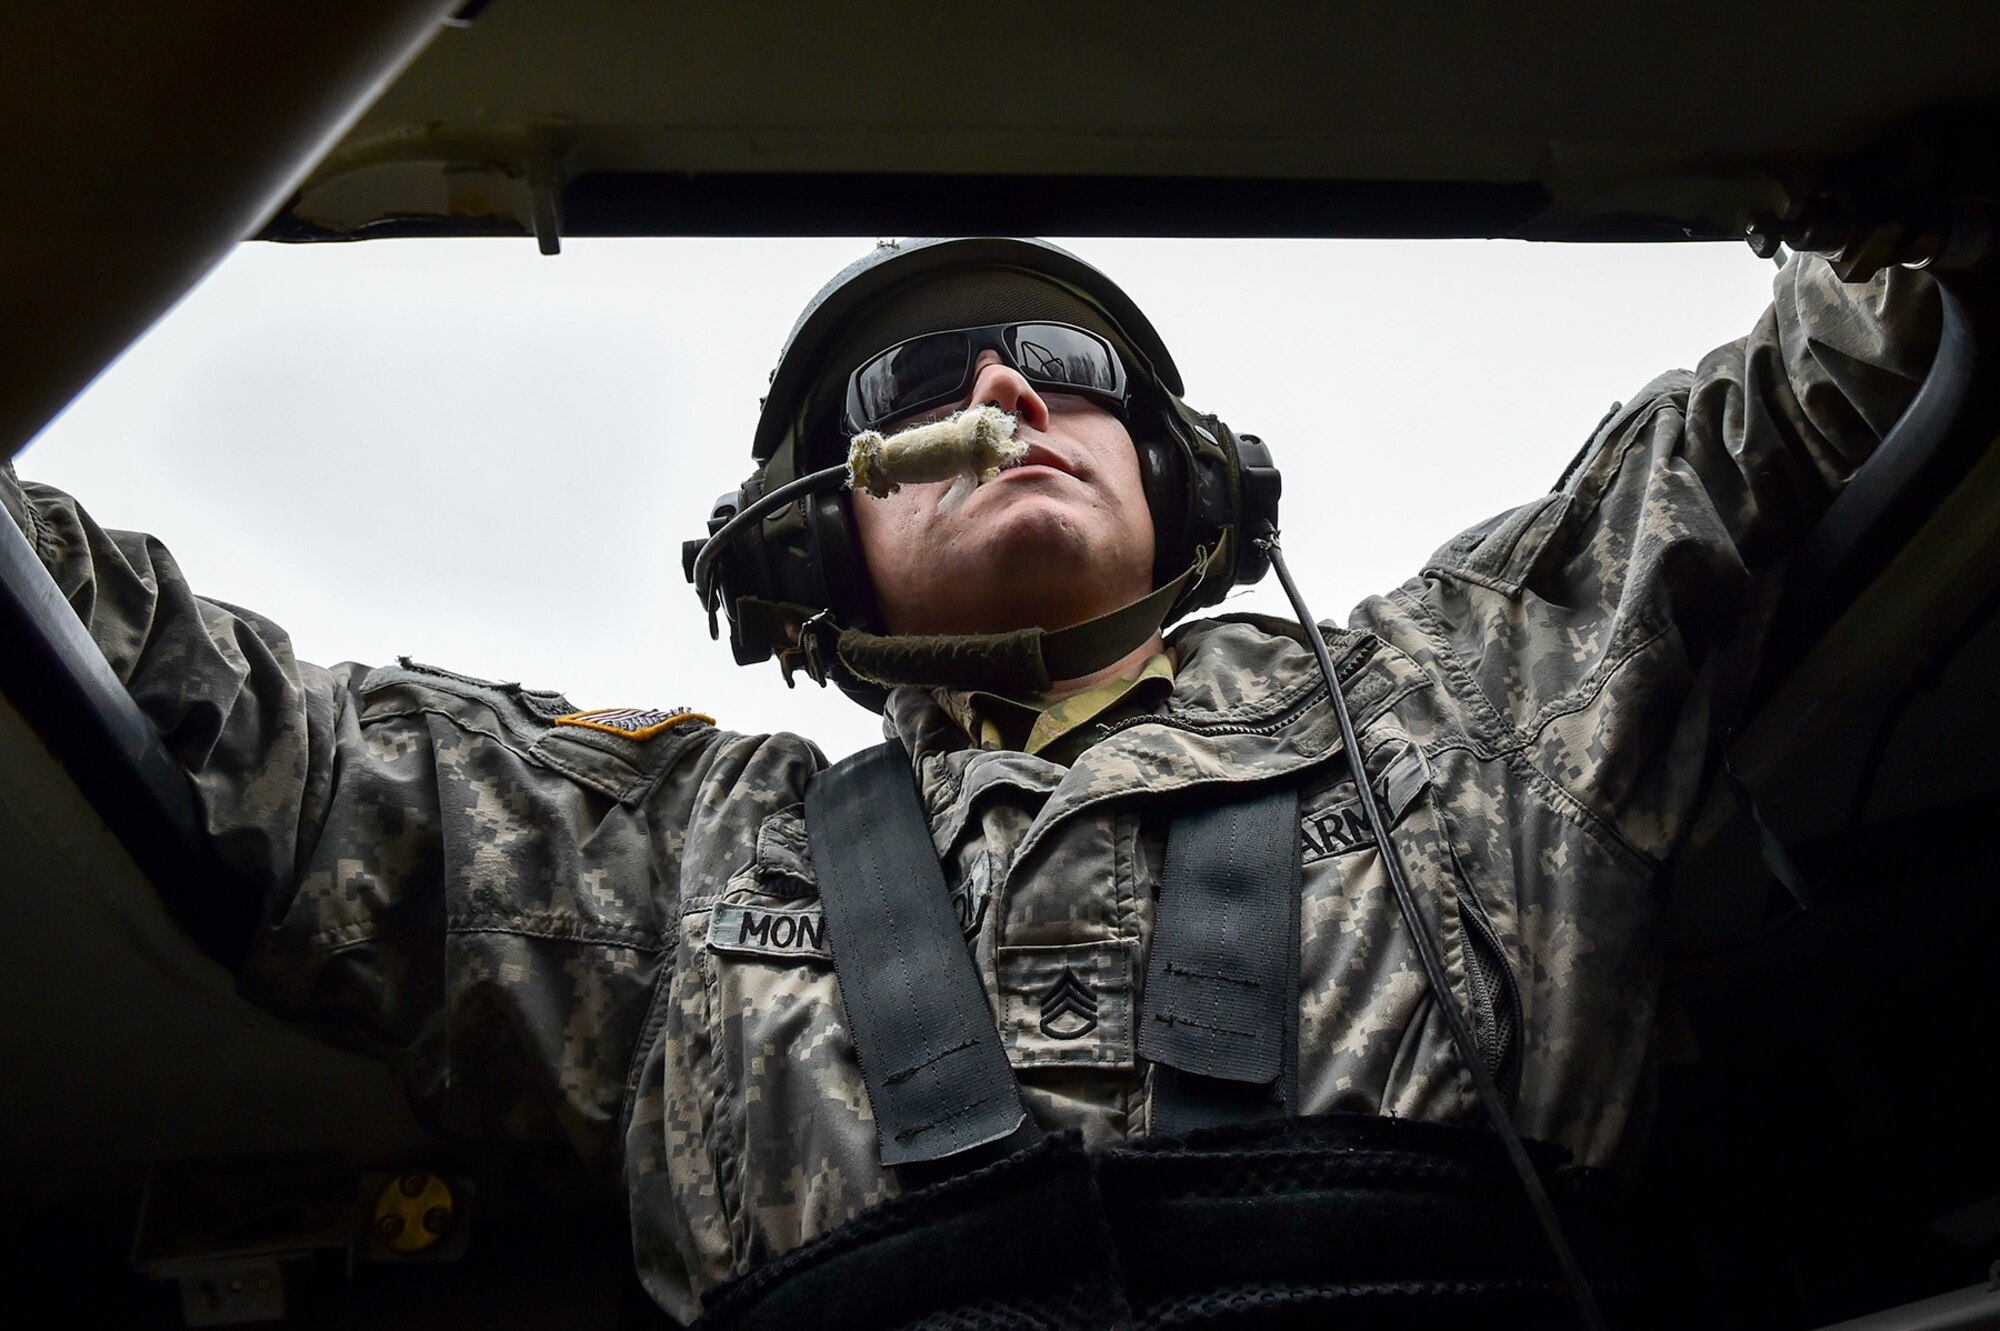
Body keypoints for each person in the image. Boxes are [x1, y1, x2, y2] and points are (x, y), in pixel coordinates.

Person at [0, 236, 1943, 1327]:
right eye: (908, 400)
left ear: (1185, 476)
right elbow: (230, 715)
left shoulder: (1470, 682)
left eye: (1048, 360)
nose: (1002, 396)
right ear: (808, 548)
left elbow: (1838, 342)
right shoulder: (678, 859)